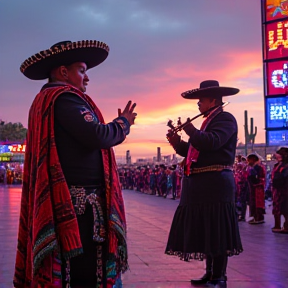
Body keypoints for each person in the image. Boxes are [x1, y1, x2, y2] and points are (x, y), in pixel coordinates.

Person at [13, 40, 137, 288]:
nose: (87, 78)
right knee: (86, 272)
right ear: (63, 72)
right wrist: (123, 123)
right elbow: (98, 135)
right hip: (80, 208)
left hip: (71, 202)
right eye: (81, 70)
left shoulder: (46, 100)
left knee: (75, 269)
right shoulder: (65, 99)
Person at [165, 80, 243, 288]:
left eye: (201, 100)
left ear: (213, 100)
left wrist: (190, 130)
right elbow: (193, 151)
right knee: (208, 230)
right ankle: (209, 273)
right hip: (201, 186)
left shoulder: (226, 119)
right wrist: (176, 142)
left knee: (217, 230)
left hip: (216, 184)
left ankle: (219, 277)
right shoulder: (208, 121)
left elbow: (212, 142)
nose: (198, 104)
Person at [271, 147, 288, 234]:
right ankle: (277, 225)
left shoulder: (285, 166)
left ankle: (286, 226)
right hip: (277, 190)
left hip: (284, 190)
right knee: (277, 208)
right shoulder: (278, 165)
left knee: (285, 208)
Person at [246, 153, 266, 224]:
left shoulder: (259, 167)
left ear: (253, 159)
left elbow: (258, 177)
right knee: (253, 202)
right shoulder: (253, 167)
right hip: (253, 187)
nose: (248, 162)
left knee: (258, 203)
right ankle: (255, 217)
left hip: (258, 188)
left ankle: (259, 218)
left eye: (249, 160)